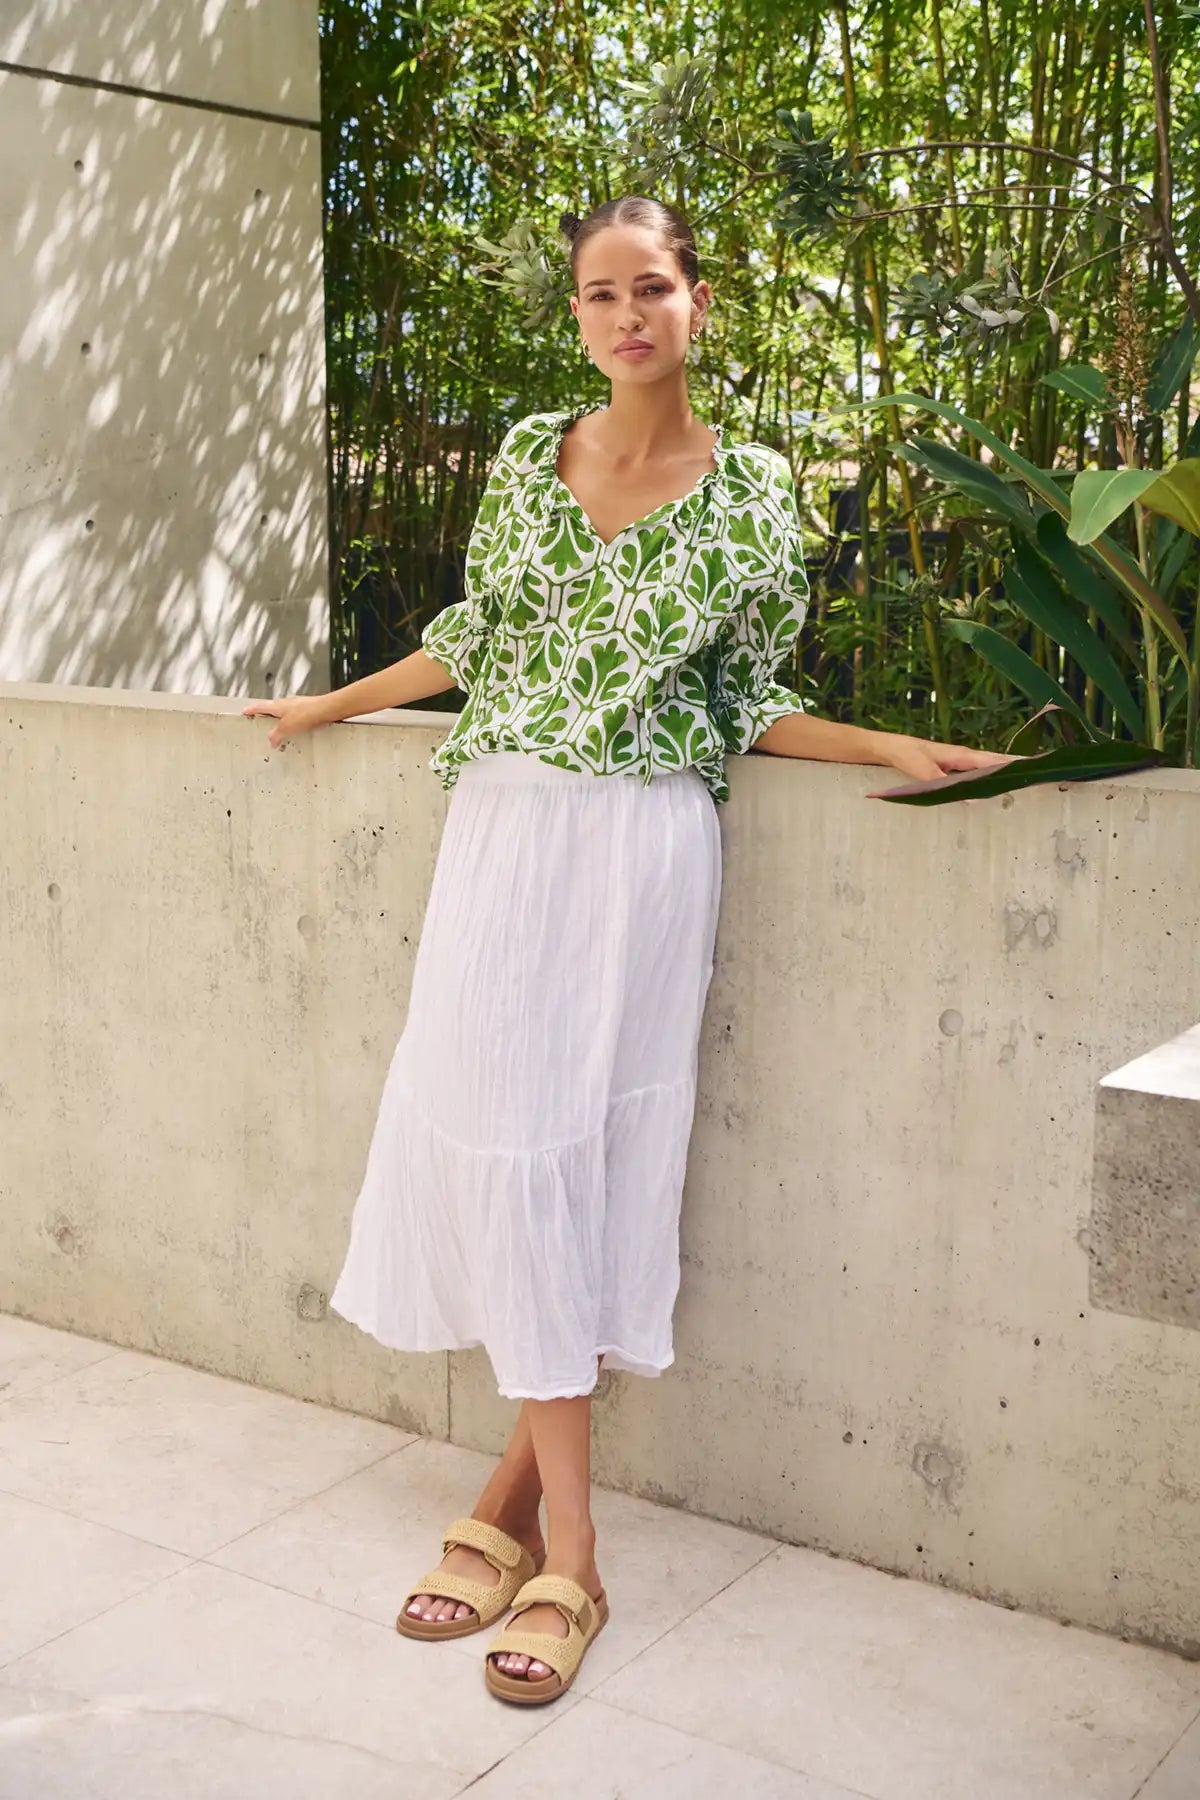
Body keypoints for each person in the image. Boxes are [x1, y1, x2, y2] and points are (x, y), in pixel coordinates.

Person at [244, 194, 1011, 1706]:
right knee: (509, 1144)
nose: (625, 316)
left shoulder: (755, 491)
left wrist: (881, 742)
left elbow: (742, 699)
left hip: (643, 851)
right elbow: (477, 638)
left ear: (696, 301)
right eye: (600, 294)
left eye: (649, 287)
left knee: (579, 1158)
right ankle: (528, 1511)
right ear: (581, 316)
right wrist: (330, 704)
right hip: (504, 835)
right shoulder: (529, 455)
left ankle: (565, 1551)